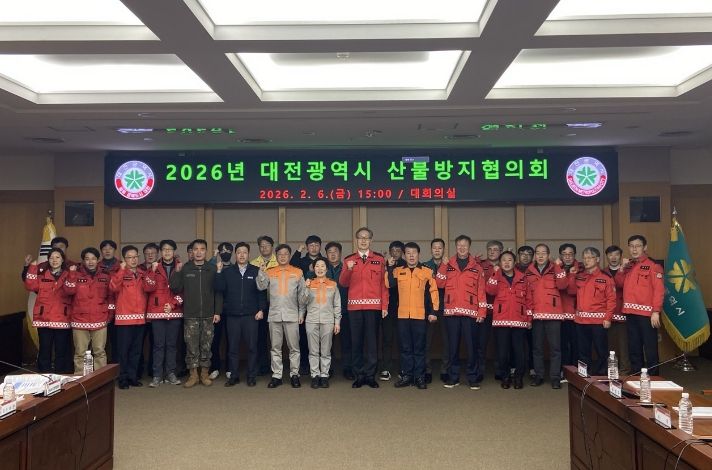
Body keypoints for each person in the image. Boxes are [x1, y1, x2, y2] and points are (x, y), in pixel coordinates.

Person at [339, 227, 389, 389]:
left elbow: (384, 285)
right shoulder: (349, 260)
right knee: (357, 342)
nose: (363, 240)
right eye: (360, 237)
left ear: (371, 240)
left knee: (372, 343)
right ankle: (359, 375)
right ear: (356, 240)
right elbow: (343, 283)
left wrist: (384, 305)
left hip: (373, 307)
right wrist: (349, 269)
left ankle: (370, 375)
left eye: (366, 238)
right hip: (355, 308)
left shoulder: (379, 260)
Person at [435, 235, 487, 390]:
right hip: (451, 313)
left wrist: (482, 311)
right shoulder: (448, 264)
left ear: (469, 247)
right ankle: (453, 377)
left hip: (470, 313)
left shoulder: (477, 267)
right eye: (459, 245)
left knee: (472, 348)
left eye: (464, 245)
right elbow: (439, 283)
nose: (462, 248)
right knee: (452, 347)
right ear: (455, 247)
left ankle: (472, 377)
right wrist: (443, 266)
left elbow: (481, 291)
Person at [169, 239, 223, 388]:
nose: (199, 252)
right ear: (191, 252)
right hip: (190, 314)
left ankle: (204, 374)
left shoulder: (212, 269)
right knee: (191, 346)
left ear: (206, 251)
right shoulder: (185, 268)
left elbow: (218, 292)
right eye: (196, 249)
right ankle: (193, 375)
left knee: (206, 345)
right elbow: (175, 288)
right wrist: (177, 272)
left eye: (202, 249)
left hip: (208, 314)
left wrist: (217, 311)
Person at [386, 242, 438, 389]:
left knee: (419, 348)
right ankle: (407, 376)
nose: (411, 256)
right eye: (408, 253)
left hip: (420, 316)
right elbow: (389, 284)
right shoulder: (398, 271)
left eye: (414, 253)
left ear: (418, 254)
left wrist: (433, 312)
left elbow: (433, 292)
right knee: (405, 348)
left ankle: (419, 377)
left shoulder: (427, 272)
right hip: (402, 316)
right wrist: (389, 267)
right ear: (404, 255)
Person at [215, 242, 268, 387]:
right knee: (233, 348)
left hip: (251, 315)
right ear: (235, 255)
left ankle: (251, 376)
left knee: (252, 347)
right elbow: (219, 288)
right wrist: (218, 272)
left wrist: (261, 309)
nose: (242, 255)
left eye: (245, 252)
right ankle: (234, 376)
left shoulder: (255, 270)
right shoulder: (227, 272)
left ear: (249, 254)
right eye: (239, 252)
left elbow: (261, 292)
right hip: (232, 315)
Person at [257, 244, 306, 388]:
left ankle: (294, 374)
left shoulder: (298, 272)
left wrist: (301, 313)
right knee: (275, 348)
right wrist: (261, 272)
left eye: (285, 254)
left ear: (290, 256)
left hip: (292, 315)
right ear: (276, 256)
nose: (283, 256)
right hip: (274, 315)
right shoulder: (270, 271)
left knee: (294, 348)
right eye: (280, 254)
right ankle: (276, 375)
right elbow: (261, 286)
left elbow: (302, 295)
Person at [615, 235, 664, 375]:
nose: (634, 249)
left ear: (645, 247)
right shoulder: (629, 266)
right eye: (631, 246)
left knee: (650, 348)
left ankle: (654, 377)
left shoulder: (653, 266)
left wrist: (656, 311)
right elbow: (618, 283)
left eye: (638, 246)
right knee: (634, 347)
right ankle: (637, 376)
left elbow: (659, 290)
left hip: (647, 314)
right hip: (630, 313)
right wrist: (622, 268)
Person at [567, 247, 616, 376]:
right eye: (585, 258)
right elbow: (571, 291)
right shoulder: (580, 276)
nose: (586, 260)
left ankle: (601, 375)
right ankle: (584, 375)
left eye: (590, 258)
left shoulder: (605, 277)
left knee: (601, 350)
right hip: (581, 321)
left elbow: (611, 300)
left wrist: (608, 318)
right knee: (582, 351)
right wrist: (572, 275)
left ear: (597, 259)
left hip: (598, 321)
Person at [23, 248, 73, 373]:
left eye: (57, 257)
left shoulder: (68, 274)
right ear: (48, 260)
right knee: (45, 349)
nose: (54, 260)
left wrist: (72, 274)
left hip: (62, 318)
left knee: (61, 350)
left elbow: (71, 290)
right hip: (44, 318)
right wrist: (32, 268)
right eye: (51, 258)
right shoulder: (42, 275)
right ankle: (44, 375)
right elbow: (30, 285)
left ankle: (60, 375)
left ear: (63, 260)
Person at [486, 251, 531, 389]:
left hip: (519, 321)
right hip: (501, 321)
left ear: (514, 262)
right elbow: (490, 291)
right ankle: (505, 376)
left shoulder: (523, 278)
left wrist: (529, 318)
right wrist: (495, 274)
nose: (506, 262)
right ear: (500, 263)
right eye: (503, 260)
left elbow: (529, 299)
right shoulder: (496, 276)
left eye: (509, 260)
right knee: (502, 352)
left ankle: (518, 377)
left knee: (519, 352)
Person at [525, 244, 568, 389]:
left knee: (555, 348)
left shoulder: (555, 268)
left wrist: (558, 267)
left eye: (544, 253)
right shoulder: (529, 272)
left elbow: (563, 285)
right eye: (538, 253)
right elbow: (527, 295)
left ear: (549, 255)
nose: (540, 256)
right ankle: (539, 375)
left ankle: (555, 377)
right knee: (537, 348)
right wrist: (529, 315)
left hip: (553, 315)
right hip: (536, 315)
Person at [64, 247, 111, 375]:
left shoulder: (105, 275)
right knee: (80, 352)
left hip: (100, 318)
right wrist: (72, 275)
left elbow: (110, 296)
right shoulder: (74, 274)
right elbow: (68, 291)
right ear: (83, 261)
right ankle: (80, 380)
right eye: (87, 259)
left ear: (98, 260)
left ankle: (101, 379)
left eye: (93, 259)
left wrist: (109, 315)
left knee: (100, 352)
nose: (90, 262)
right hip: (79, 319)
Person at [143, 240, 183, 387]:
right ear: (160, 252)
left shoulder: (180, 267)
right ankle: (157, 375)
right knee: (158, 345)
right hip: (157, 312)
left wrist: (172, 305)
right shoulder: (154, 267)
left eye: (170, 249)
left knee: (172, 345)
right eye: (164, 249)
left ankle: (171, 373)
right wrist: (153, 272)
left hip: (174, 312)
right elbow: (147, 288)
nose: (167, 252)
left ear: (174, 251)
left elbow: (184, 291)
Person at [110, 245, 150, 389]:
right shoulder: (119, 272)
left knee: (136, 350)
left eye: (135, 257)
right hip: (124, 319)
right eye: (129, 257)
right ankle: (123, 378)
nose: (133, 260)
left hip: (140, 318)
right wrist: (121, 270)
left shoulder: (142, 273)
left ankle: (133, 377)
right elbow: (113, 287)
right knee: (123, 351)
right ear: (124, 259)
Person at [301, 258, 342, 388]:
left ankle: (324, 375)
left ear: (327, 269)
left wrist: (337, 322)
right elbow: (302, 301)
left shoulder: (333, 284)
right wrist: (306, 288)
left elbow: (337, 305)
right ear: (313, 269)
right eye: (317, 266)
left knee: (326, 350)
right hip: (311, 320)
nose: (320, 268)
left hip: (328, 320)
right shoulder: (309, 283)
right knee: (313, 350)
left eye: (322, 266)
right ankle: (315, 375)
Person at [291, 234, 323, 375]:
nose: (314, 248)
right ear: (307, 247)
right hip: (304, 302)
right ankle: (304, 364)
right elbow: (291, 265)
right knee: (304, 336)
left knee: (323, 337)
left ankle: (323, 366)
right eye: (311, 245)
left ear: (320, 247)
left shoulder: (324, 261)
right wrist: (298, 251)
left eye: (316, 245)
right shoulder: (302, 261)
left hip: (321, 302)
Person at [324, 241, 353, 380]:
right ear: (326, 255)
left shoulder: (347, 268)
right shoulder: (322, 269)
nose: (333, 254)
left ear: (340, 253)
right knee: (327, 343)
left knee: (347, 341)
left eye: (335, 251)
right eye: (330, 252)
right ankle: (327, 368)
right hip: (326, 312)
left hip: (345, 311)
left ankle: (348, 368)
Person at [251, 235, 278, 376]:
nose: (264, 248)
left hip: (276, 304)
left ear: (272, 246)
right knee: (260, 336)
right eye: (261, 246)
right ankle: (263, 365)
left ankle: (276, 367)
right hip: (260, 305)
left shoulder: (279, 261)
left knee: (276, 337)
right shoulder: (253, 263)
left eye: (267, 245)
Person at [379, 240, 405, 381]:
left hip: (403, 307)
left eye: (398, 251)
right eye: (393, 250)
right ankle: (386, 368)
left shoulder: (406, 265)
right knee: (387, 339)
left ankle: (403, 368)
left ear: (403, 253)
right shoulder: (384, 265)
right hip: (388, 307)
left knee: (403, 339)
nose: (395, 253)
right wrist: (387, 267)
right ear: (389, 251)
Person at [208, 242, 234, 380]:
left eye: (228, 250)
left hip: (231, 310)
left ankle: (230, 368)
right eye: (222, 251)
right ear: (219, 252)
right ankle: (215, 367)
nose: (225, 253)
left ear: (232, 252)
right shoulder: (213, 267)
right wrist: (214, 257)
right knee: (214, 340)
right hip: (215, 310)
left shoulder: (235, 268)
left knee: (231, 340)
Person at [423, 238, 448, 383]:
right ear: (431, 249)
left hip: (446, 307)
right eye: (434, 248)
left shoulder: (450, 266)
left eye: (440, 248)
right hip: (429, 307)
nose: (437, 250)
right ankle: (427, 370)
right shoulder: (425, 266)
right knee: (427, 341)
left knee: (447, 340)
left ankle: (445, 370)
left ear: (444, 249)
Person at [477, 240, 503, 382]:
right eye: (490, 249)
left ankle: (500, 370)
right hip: (485, 311)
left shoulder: (506, 265)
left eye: (495, 249)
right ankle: (480, 370)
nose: (492, 252)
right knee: (481, 343)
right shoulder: (481, 265)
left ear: (501, 252)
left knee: (500, 343)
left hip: (501, 312)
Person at [603, 245, 630, 374]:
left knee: (624, 344)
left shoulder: (628, 271)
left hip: (622, 311)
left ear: (621, 256)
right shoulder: (602, 272)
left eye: (616, 254)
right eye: (610, 255)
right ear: (606, 256)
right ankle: (611, 370)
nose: (613, 257)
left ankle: (625, 370)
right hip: (606, 313)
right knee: (608, 344)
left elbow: (620, 284)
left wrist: (622, 269)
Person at [136, 242, 160, 378]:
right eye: (147, 253)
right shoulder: (137, 269)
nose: (150, 256)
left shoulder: (161, 269)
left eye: (153, 253)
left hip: (155, 312)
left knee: (155, 343)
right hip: (139, 311)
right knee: (138, 343)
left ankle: (152, 369)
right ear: (143, 255)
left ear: (157, 254)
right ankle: (138, 370)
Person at [558, 243, 581, 376]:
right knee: (563, 345)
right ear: (560, 256)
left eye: (570, 254)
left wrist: (572, 275)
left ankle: (575, 372)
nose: (567, 257)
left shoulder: (581, 269)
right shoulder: (556, 269)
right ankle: (565, 371)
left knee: (576, 344)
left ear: (574, 255)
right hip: (560, 313)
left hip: (577, 313)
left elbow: (572, 291)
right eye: (564, 254)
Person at [98, 239, 120, 364]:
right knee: (100, 343)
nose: (107, 251)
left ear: (114, 250)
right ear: (101, 251)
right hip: (100, 308)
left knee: (117, 341)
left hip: (118, 309)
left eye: (110, 248)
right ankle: (101, 370)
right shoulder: (96, 266)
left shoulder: (122, 266)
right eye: (104, 249)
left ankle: (116, 368)